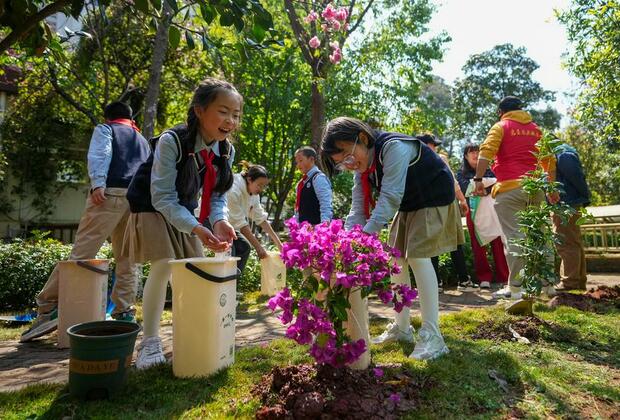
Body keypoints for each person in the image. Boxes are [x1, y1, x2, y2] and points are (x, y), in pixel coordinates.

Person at [123, 78, 241, 369]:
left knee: (191, 270)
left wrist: (220, 221)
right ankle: (149, 342)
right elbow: (162, 196)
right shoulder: (171, 141)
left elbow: (216, 197)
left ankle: (190, 332)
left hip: (184, 210)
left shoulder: (227, 151)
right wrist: (197, 227)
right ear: (200, 110)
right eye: (223, 111)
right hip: (150, 205)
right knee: (163, 264)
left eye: (236, 114)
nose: (230, 120)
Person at [321, 117, 460, 360]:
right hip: (409, 205)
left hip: (433, 198)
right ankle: (402, 328)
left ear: (362, 139)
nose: (348, 164)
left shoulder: (393, 147)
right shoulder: (363, 169)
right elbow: (358, 207)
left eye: (347, 155)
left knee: (417, 256)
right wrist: (349, 240)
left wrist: (365, 237)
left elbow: (391, 197)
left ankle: (433, 335)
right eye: (341, 162)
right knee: (395, 260)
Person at [20, 102, 150, 343]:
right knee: (128, 257)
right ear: (130, 118)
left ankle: (48, 307)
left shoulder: (106, 129)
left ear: (110, 117)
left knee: (82, 253)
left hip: (109, 194)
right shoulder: (142, 139)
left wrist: (98, 182)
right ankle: (124, 312)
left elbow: (100, 154)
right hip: (136, 200)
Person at [473, 96, 558, 300]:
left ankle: (516, 289)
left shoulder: (501, 126)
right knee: (540, 234)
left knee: (514, 237)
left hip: (509, 189)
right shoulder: (537, 130)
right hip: (535, 188)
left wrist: (478, 179)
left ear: (501, 111)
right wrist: (552, 188)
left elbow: (486, 152)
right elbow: (550, 161)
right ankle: (548, 287)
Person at [416, 134, 475, 291]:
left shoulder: (420, 160)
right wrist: (462, 200)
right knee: (444, 242)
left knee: (447, 242)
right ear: (424, 145)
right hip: (440, 204)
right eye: (432, 144)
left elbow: (452, 181)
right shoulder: (433, 158)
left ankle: (453, 281)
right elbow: (452, 181)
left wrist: (462, 200)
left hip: (438, 204)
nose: (435, 148)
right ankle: (451, 281)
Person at [456, 143, 509, 289]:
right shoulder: (461, 173)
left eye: (477, 152)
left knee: (498, 242)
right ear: (466, 156)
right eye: (471, 152)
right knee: (478, 245)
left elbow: (498, 186)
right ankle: (484, 277)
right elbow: (465, 188)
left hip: (493, 212)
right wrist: (485, 185)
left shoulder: (489, 171)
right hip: (473, 212)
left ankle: (504, 276)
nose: (475, 155)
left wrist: (483, 189)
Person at [227, 162, 283, 273]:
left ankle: (234, 285)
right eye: (259, 184)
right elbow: (242, 225)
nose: (261, 189)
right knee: (230, 251)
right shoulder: (233, 190)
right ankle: (225, 285)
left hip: (230, 226)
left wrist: (279, 243)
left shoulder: (254, 193)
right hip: (211, 221)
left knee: (244, 247)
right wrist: (259, 248)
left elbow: (261, 218)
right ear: (249, 179)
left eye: (264, 185)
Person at [553, 143, 590, 291]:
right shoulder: (565, 151)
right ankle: (578, 281)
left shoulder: (562, 153)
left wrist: (584, 195)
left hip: (565, 201)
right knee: (574, 241)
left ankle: (570, 282)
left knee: (565, 241)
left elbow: (574, 175)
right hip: (571, 200)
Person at [294, 146, 333, 224]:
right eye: (297, 162)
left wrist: (323, 227)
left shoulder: (318, 178)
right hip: (304, 229)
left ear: (311, 159)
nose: (298, 165)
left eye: (301, 160)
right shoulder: (301, 183)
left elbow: (325, 204)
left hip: (316, 228)